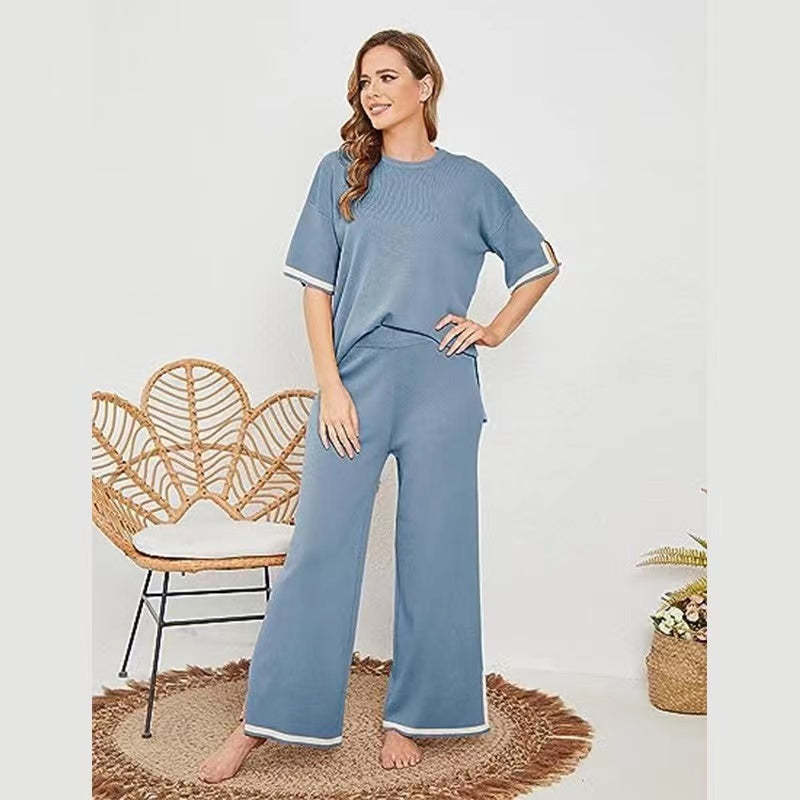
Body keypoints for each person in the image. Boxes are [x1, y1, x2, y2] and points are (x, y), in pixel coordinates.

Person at [199, 28, 560, 782]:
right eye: (365, 81)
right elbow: (316, 290)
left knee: (438, 550)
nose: (373, 92)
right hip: (356, 382)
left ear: (426, 86)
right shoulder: (340, 172)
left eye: (389, 77)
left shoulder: (471, 183)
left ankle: (415, 715)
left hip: (442, 384)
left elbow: (540, 263)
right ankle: (264, 722)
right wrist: (330, 386)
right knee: (320, 548)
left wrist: (493, 329)